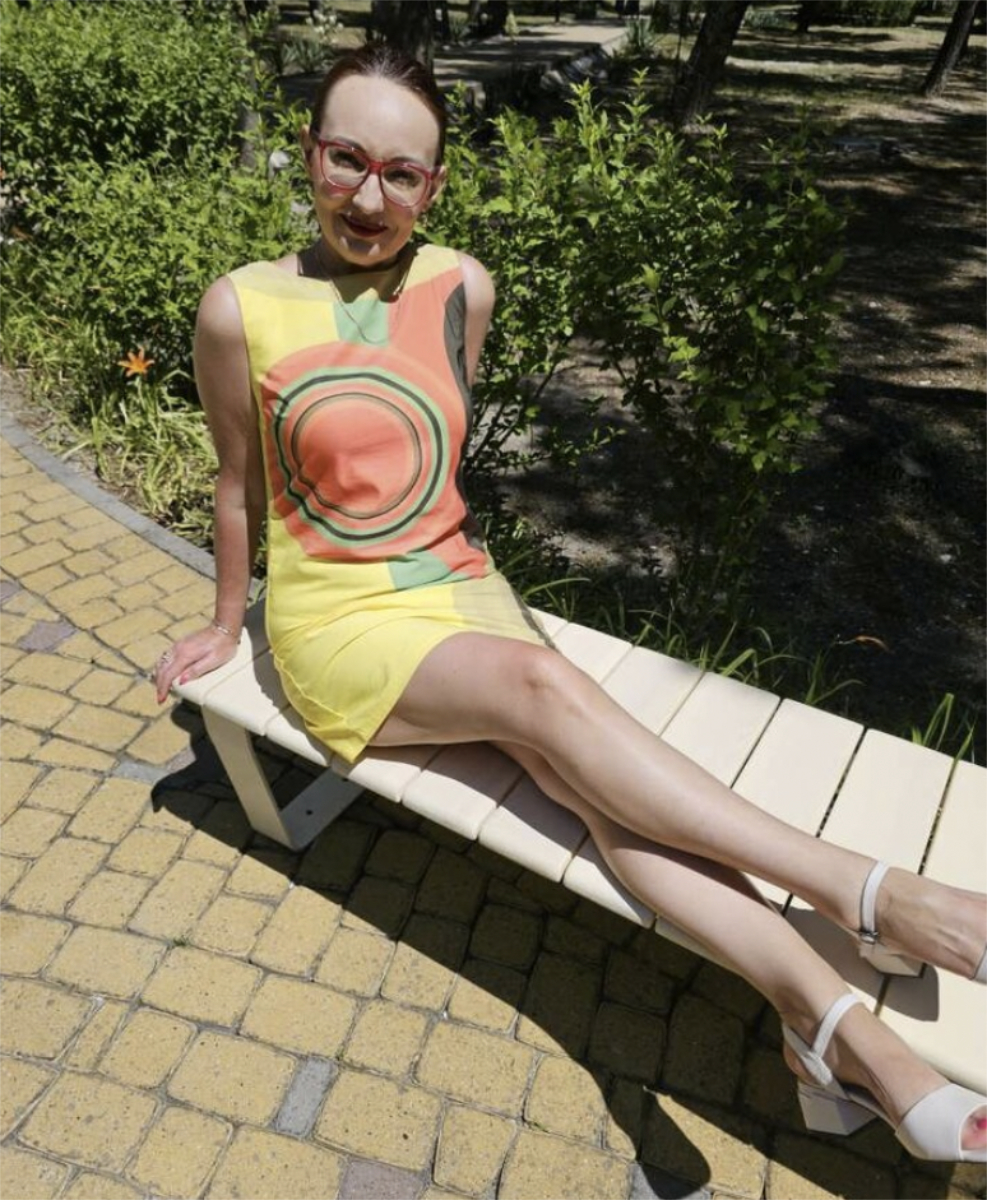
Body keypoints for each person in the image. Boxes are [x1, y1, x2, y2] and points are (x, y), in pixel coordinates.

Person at [154, 43, 987, 1163]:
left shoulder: (463, 287)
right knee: (544, 693)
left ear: (435, 185)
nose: (369, 198)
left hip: (458, 589)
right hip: (338, 621)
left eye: (403, 174)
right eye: (345, 159)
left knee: (590, 792)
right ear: (309, 153)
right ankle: (863, 890)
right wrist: (225, 621)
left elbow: (428, 458)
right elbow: (238, 484)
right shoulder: (241, 306)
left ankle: (831, 1028)